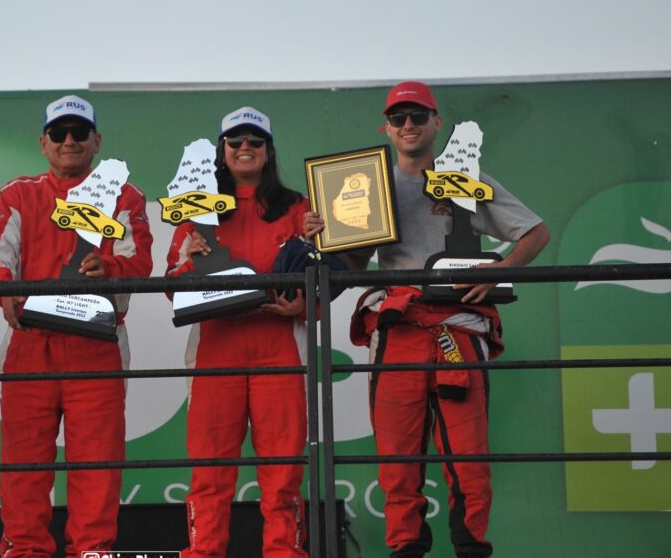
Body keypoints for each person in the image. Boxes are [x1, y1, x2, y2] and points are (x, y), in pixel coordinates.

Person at [309, 81, 549, 558]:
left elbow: (535, 232)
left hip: (458, 327)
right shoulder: (368, 184)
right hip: (397, 328)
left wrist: (500, 270)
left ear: (437, 123)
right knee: (397, 453)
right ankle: (406, 547)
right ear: (386, 128)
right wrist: (322, 236)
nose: (408, 125)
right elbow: (354, 264)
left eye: (418, 116)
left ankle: (472, 547)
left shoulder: (465, 177)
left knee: (468, 451)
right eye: (398, 118)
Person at [0, 95, 153, 557]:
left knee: (97, 468)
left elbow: (139, 261)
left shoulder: (125, 195)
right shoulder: (18, 194)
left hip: (97, 343)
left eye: (79, 132)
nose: (69, 141)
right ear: (43, 143)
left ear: (97, 141)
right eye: (59, 133)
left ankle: (93, 553)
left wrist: (109, 267)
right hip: (31, 343)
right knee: (24, 468)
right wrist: (4, 291)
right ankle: (23, 552)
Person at [166, 107, 312, 558]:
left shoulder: (298, 207)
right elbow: (171, 287)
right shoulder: (195, 209)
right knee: (210, 471)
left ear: (269, 150)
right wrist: (189, 260)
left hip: (279, 344)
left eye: (254, 140)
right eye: (235, 141)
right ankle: (204, 553)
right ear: (222, 151)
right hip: (216, 347)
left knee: (283, 471)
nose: (244, 147)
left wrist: (305, 303)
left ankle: (285, 554)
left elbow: (321, 275)